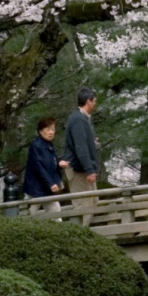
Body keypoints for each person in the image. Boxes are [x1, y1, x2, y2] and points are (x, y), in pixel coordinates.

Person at [64, 87, 99, 216]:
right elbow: (80, 147)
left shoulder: (83, 119)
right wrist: (89, 169)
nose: (95, 104)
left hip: (84, 169)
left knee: (93, 202)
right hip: (79, 170)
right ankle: (78, 234)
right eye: (94, 101)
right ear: (88, 101)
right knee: (83, 207)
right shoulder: (78, 119)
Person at [23, 117, 69, 216]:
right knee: (30, 214)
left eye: (52, 129)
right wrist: (51, 183)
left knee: (56, 212)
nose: (51, 132)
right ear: (40, 131)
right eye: (47, 130)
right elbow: (39, 167)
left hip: (47, 189)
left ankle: (60, 231)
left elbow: (51, 162)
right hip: (36, 188)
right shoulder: (36, 146)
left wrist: (59, 164)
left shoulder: (49, 145)